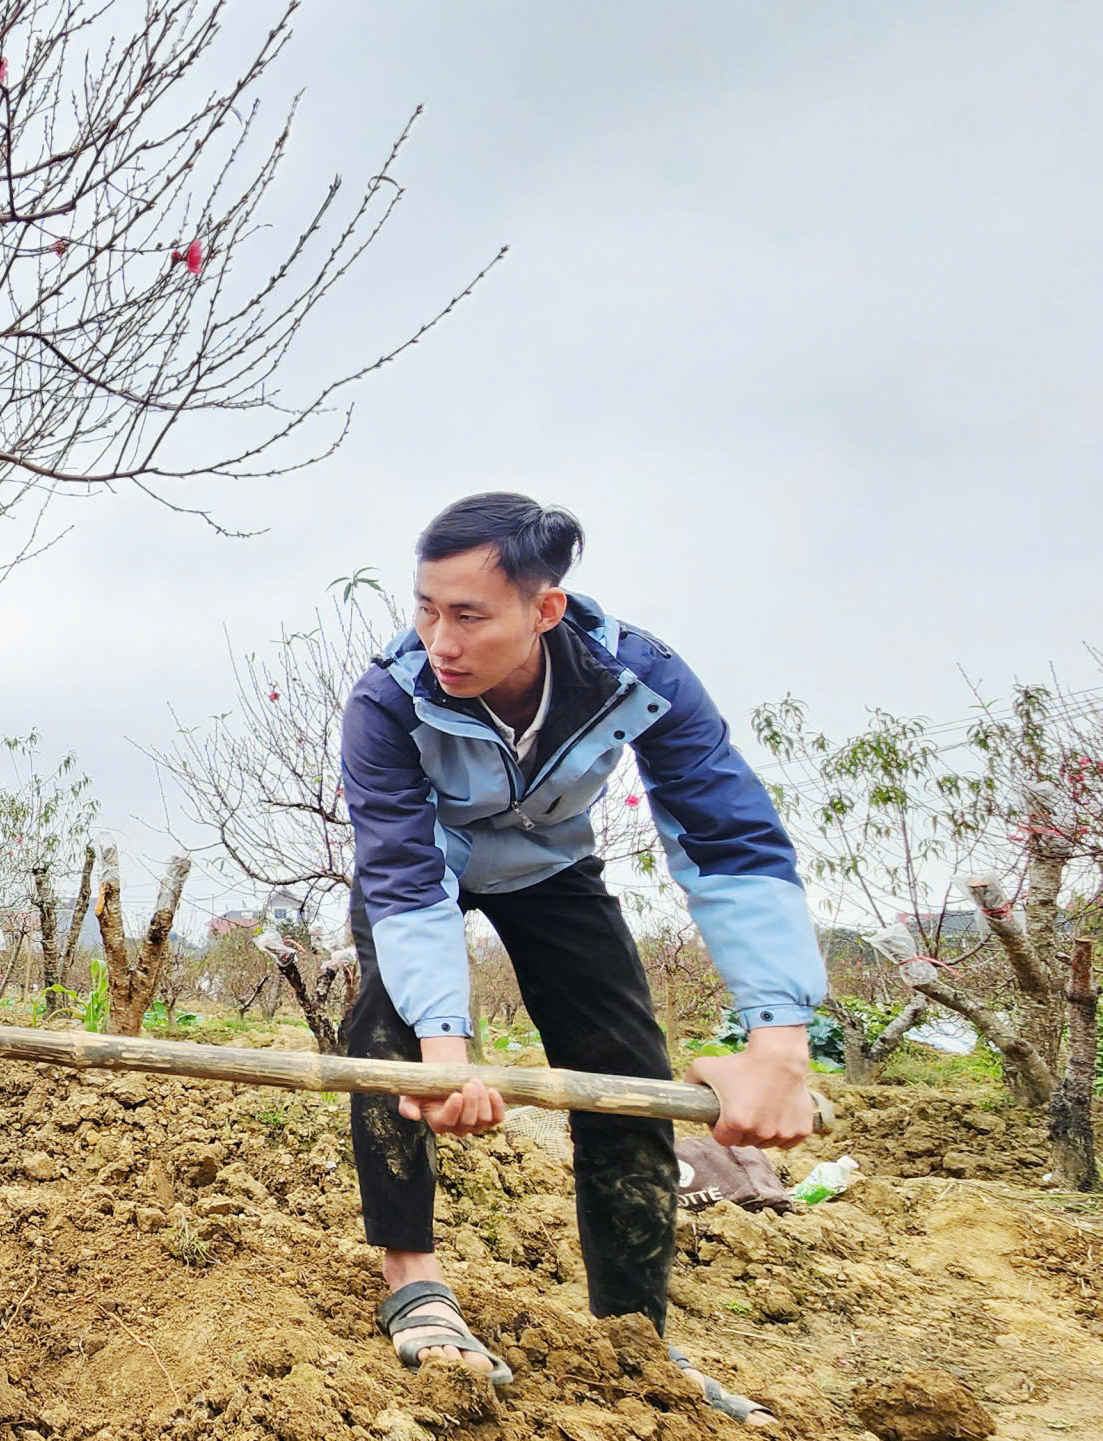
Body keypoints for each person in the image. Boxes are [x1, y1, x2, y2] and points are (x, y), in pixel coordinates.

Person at [338, 494, 821, 1427]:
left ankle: (634, 1337)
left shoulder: (637, 678)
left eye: (470, 615)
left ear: (544, 610)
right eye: (425, 607)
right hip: (425, 868)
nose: (440, 638)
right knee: (388, 1043)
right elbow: (403, 882)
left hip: (553, 866)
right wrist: (447, 1051)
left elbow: (732, 844)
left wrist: (780, 1039)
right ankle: (415, 1283)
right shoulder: (387, 699)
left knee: (626, 1073)